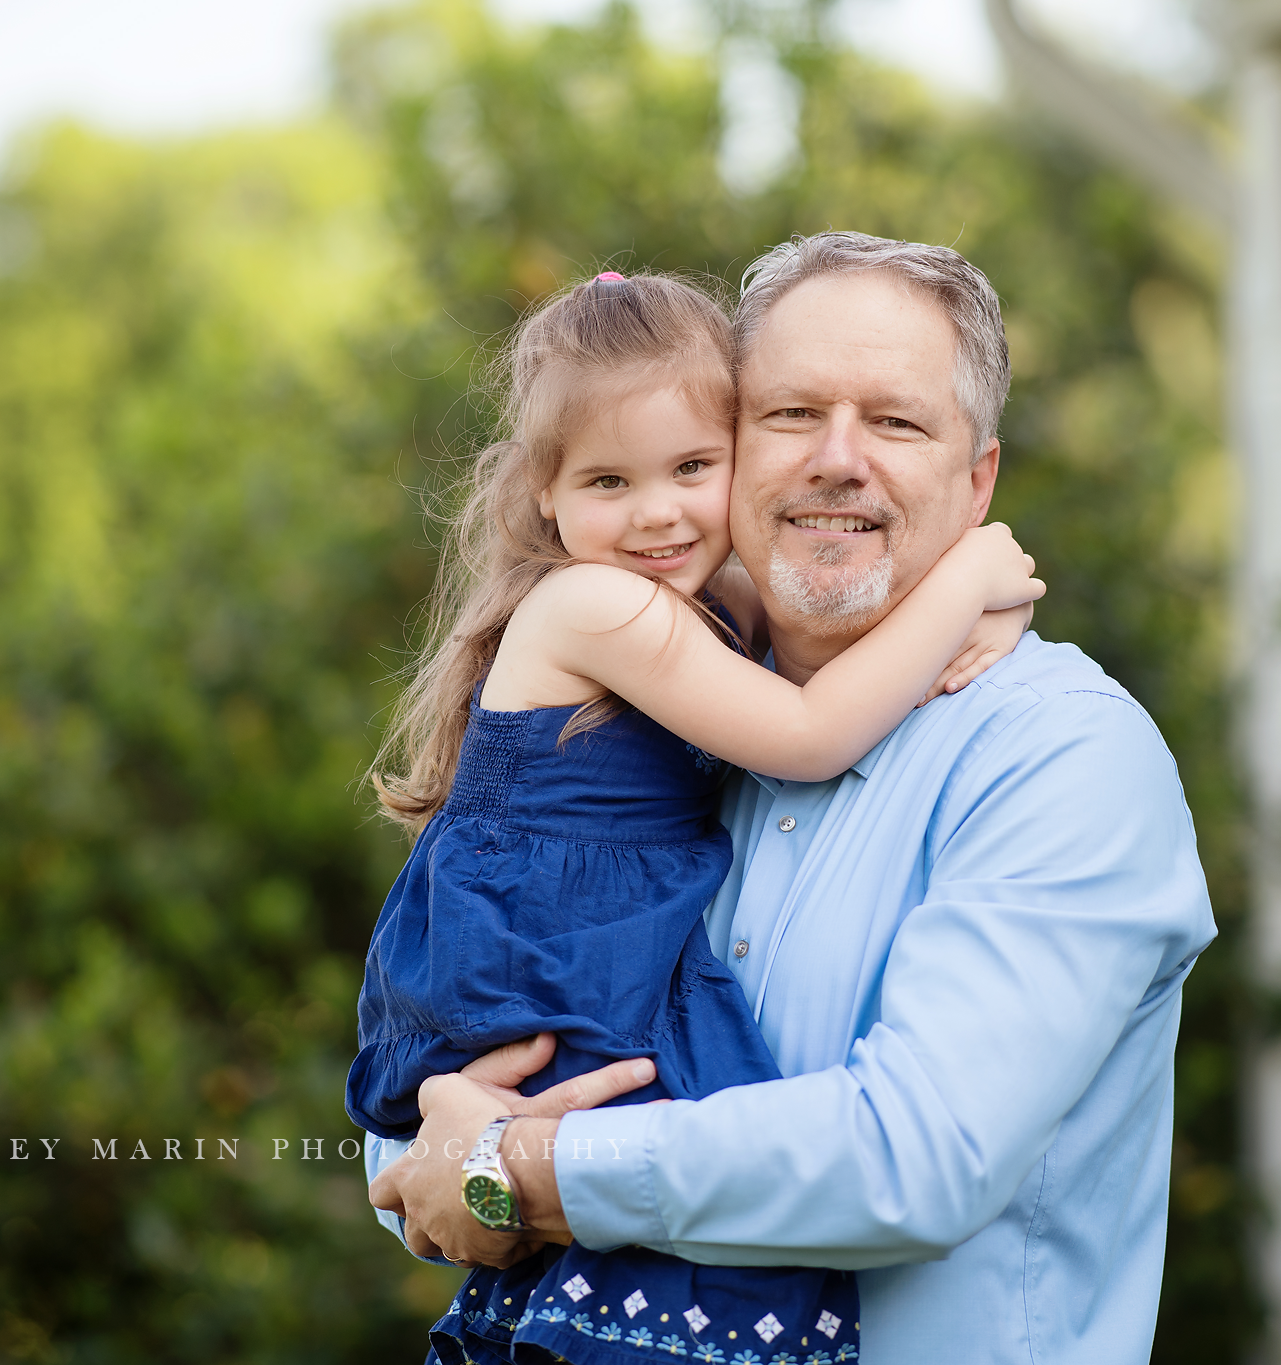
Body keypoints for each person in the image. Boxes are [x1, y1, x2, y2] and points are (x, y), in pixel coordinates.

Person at [369, 233, 1218, 1365]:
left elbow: (913, 1159)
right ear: (729, 448)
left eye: (897, 422)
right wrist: (467, 1157)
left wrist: (520, 1172)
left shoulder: (1064, 757)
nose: (836, 460)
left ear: (978, 485)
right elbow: (422, 1135)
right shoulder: (663, 730)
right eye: (787, 416)